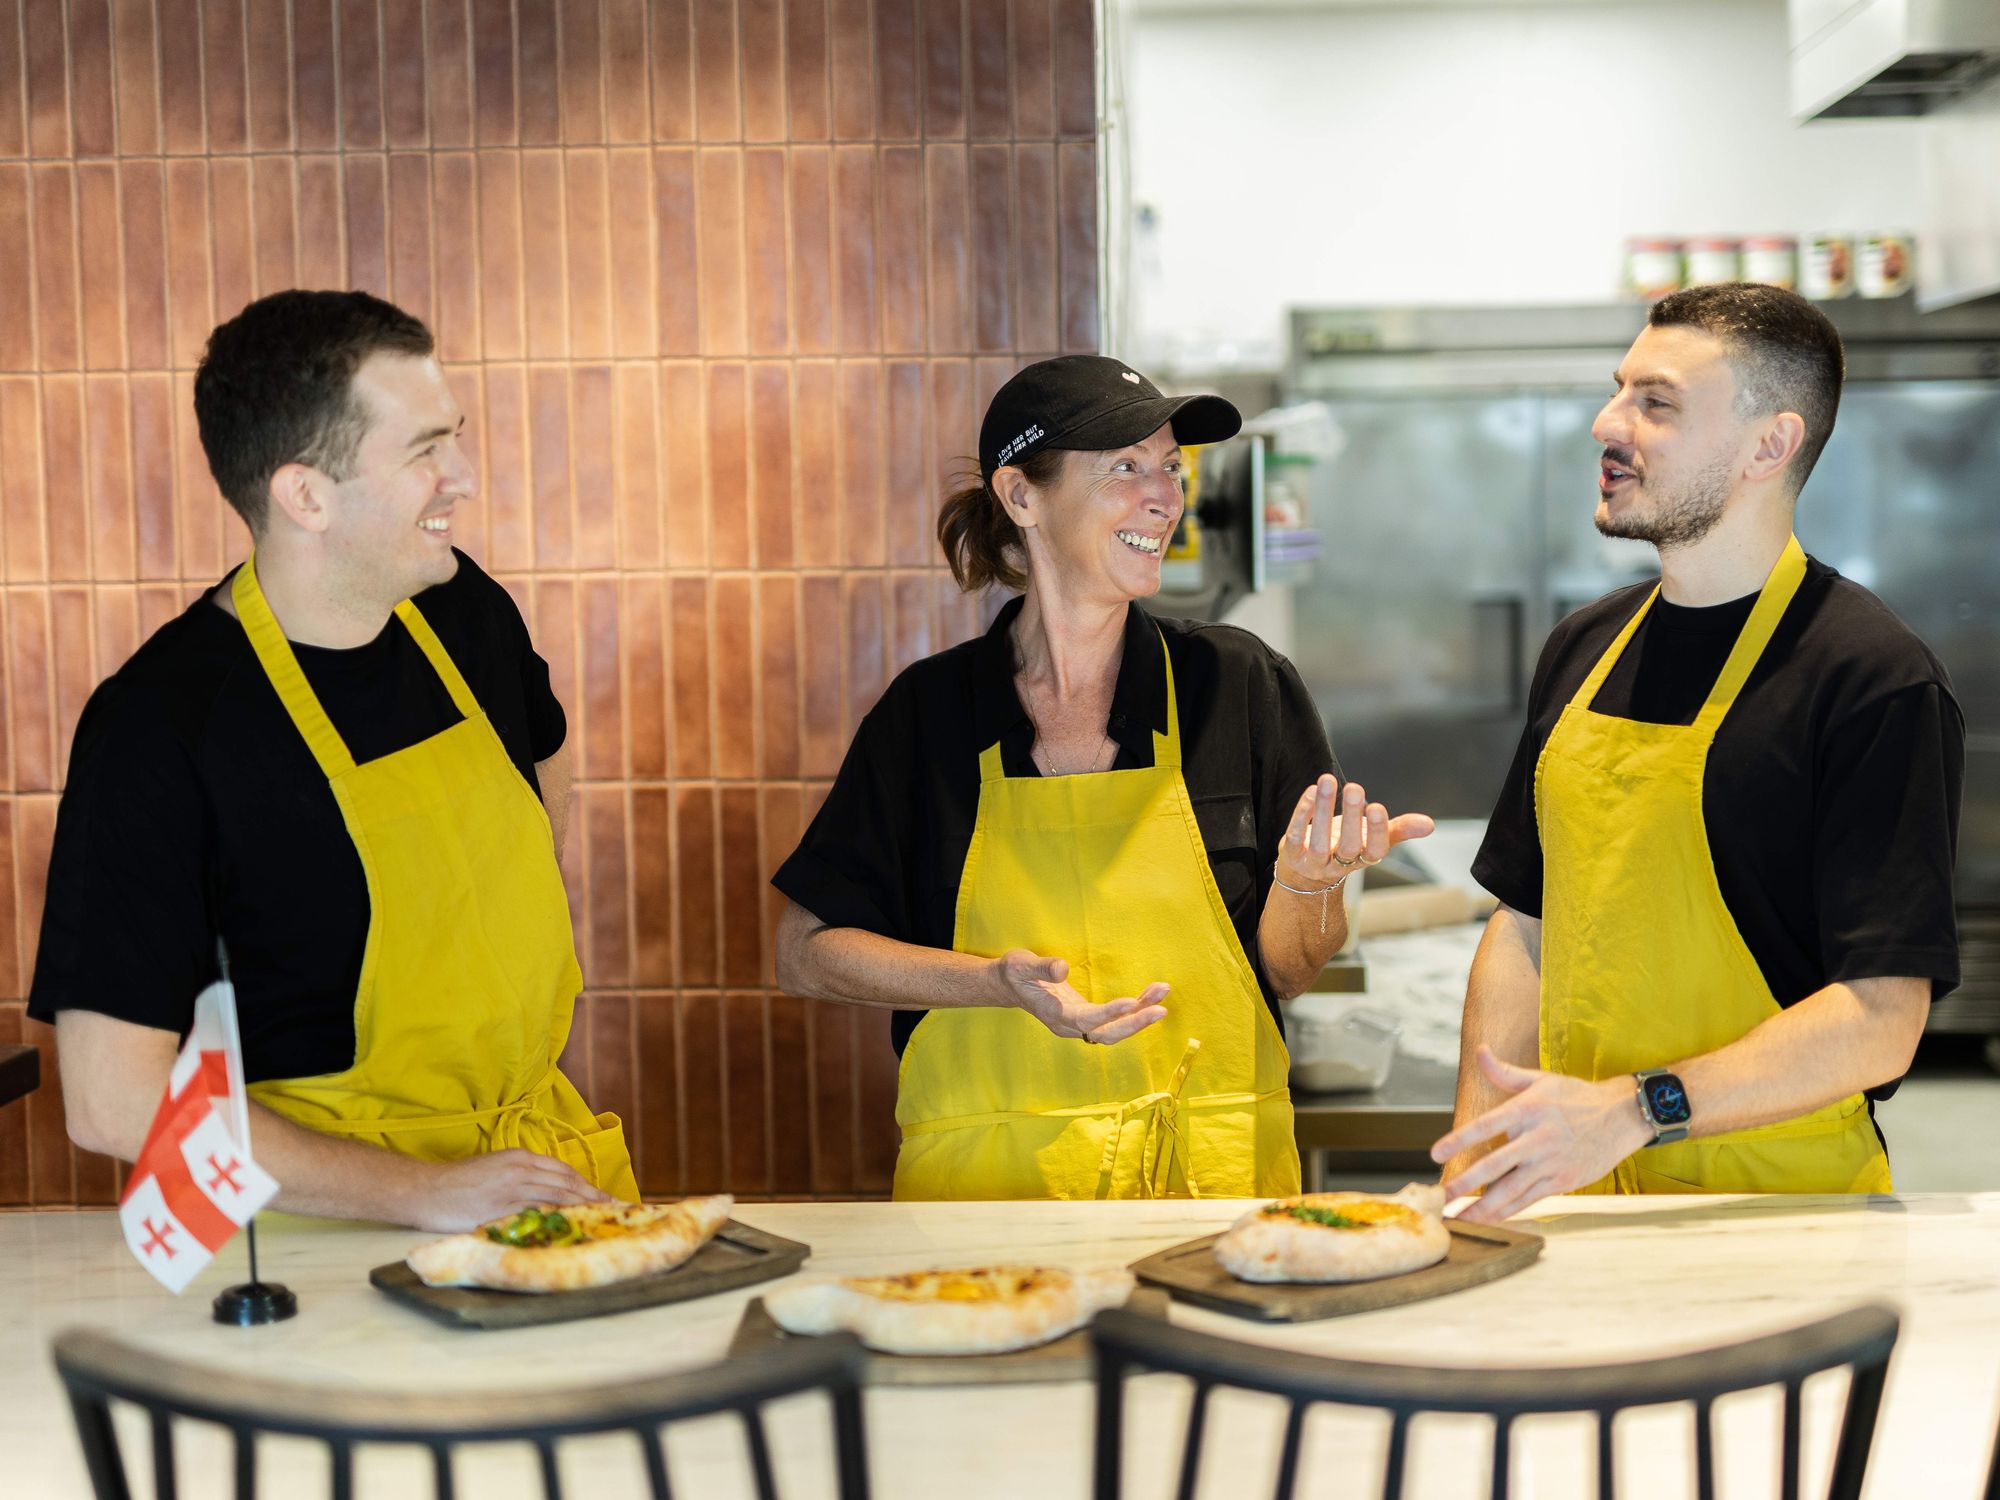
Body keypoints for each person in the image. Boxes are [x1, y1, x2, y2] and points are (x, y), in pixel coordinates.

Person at [28, 290, 635, 1230]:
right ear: (305, 495)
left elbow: (540, 798)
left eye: (456, 437)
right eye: (425, 450)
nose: (465, 477)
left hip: (527, 1182)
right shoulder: (160, 726)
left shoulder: (465, 615)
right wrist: (421, 1190)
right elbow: (112, 1103)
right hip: (305, 1240)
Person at [773, 355, 1433, 1200]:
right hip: (991, 1199)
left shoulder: (1237, 685)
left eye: (1170, 468)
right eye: (1125, 468)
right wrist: (992, 984)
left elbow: (1289, 973)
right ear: (1021, 496)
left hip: (1209, 1190)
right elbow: (806, 954)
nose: (1164, 499)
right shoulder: (930, 715)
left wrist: (1310, 886)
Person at [1433, 283, 1963, 1220]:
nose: (1608, 423)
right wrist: (1476, 1154)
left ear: (1770, 445)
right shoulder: (1586, 645)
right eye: (1619, 390)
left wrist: (1636, 1111)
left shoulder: (1868, 677)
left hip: (1782, 1216)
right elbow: (1526, 926)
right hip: (1578, 1193)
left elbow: (1882, 1017)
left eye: (1657, 403)